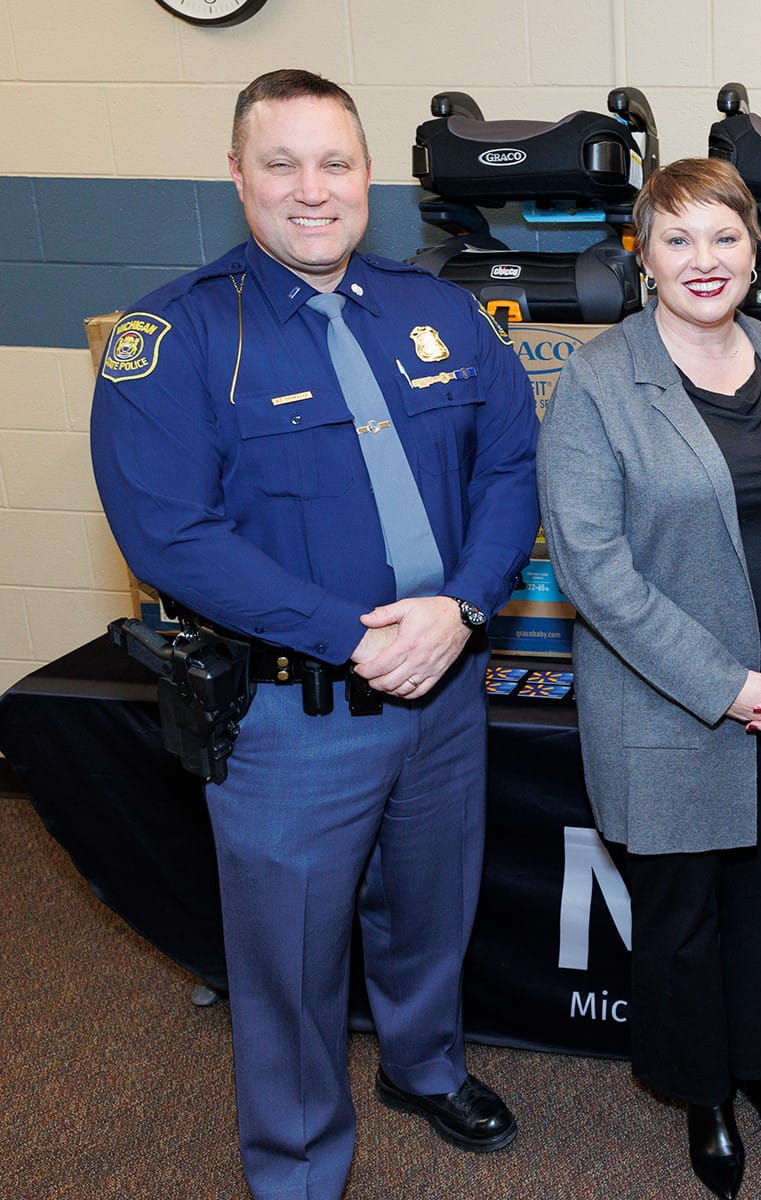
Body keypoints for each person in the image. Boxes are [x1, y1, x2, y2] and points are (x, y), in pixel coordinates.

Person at [87, 70, 540, 1200]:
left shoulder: (435, 309)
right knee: (289, 959)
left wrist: (465, 605)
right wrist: (354, 635)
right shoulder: (177, 337)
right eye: (280, 163)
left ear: (367, 176)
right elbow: (171, 537)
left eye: (334, 161)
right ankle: (295, 1167)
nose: (310, 189)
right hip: (294, 715)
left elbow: (512, 465)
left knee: (432, 911)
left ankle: (426, 1067)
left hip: (442, 686)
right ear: (235, 176)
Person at [536, 157, 761, 1200]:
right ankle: (706, 1101)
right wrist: (725, 685)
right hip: (674, 705)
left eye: (723, 235)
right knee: (681, 923)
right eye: (676, 238)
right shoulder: (597, 382)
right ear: (643, 255)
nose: (703, 260)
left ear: (756, 248)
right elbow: (593, 570)